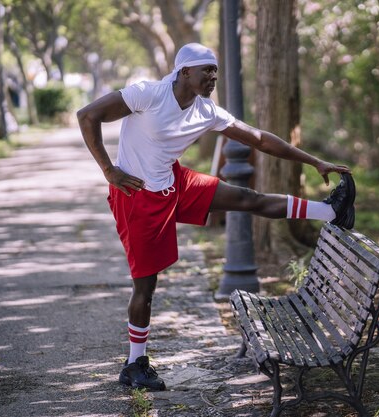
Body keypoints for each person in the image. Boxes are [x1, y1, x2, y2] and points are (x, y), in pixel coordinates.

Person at [76, 43, 356, 391]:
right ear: (184, 72)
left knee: (246, 198)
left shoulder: (206, 112)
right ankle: (134, 364)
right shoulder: (147, 94)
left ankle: (330, 210)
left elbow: (259, 139)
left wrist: (314, 161)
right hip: (137, 196)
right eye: (206, 70)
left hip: (172, 180)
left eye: (215, 71)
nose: (212, 76)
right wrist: (109, 170)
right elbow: (87, 116)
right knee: (145, 287)